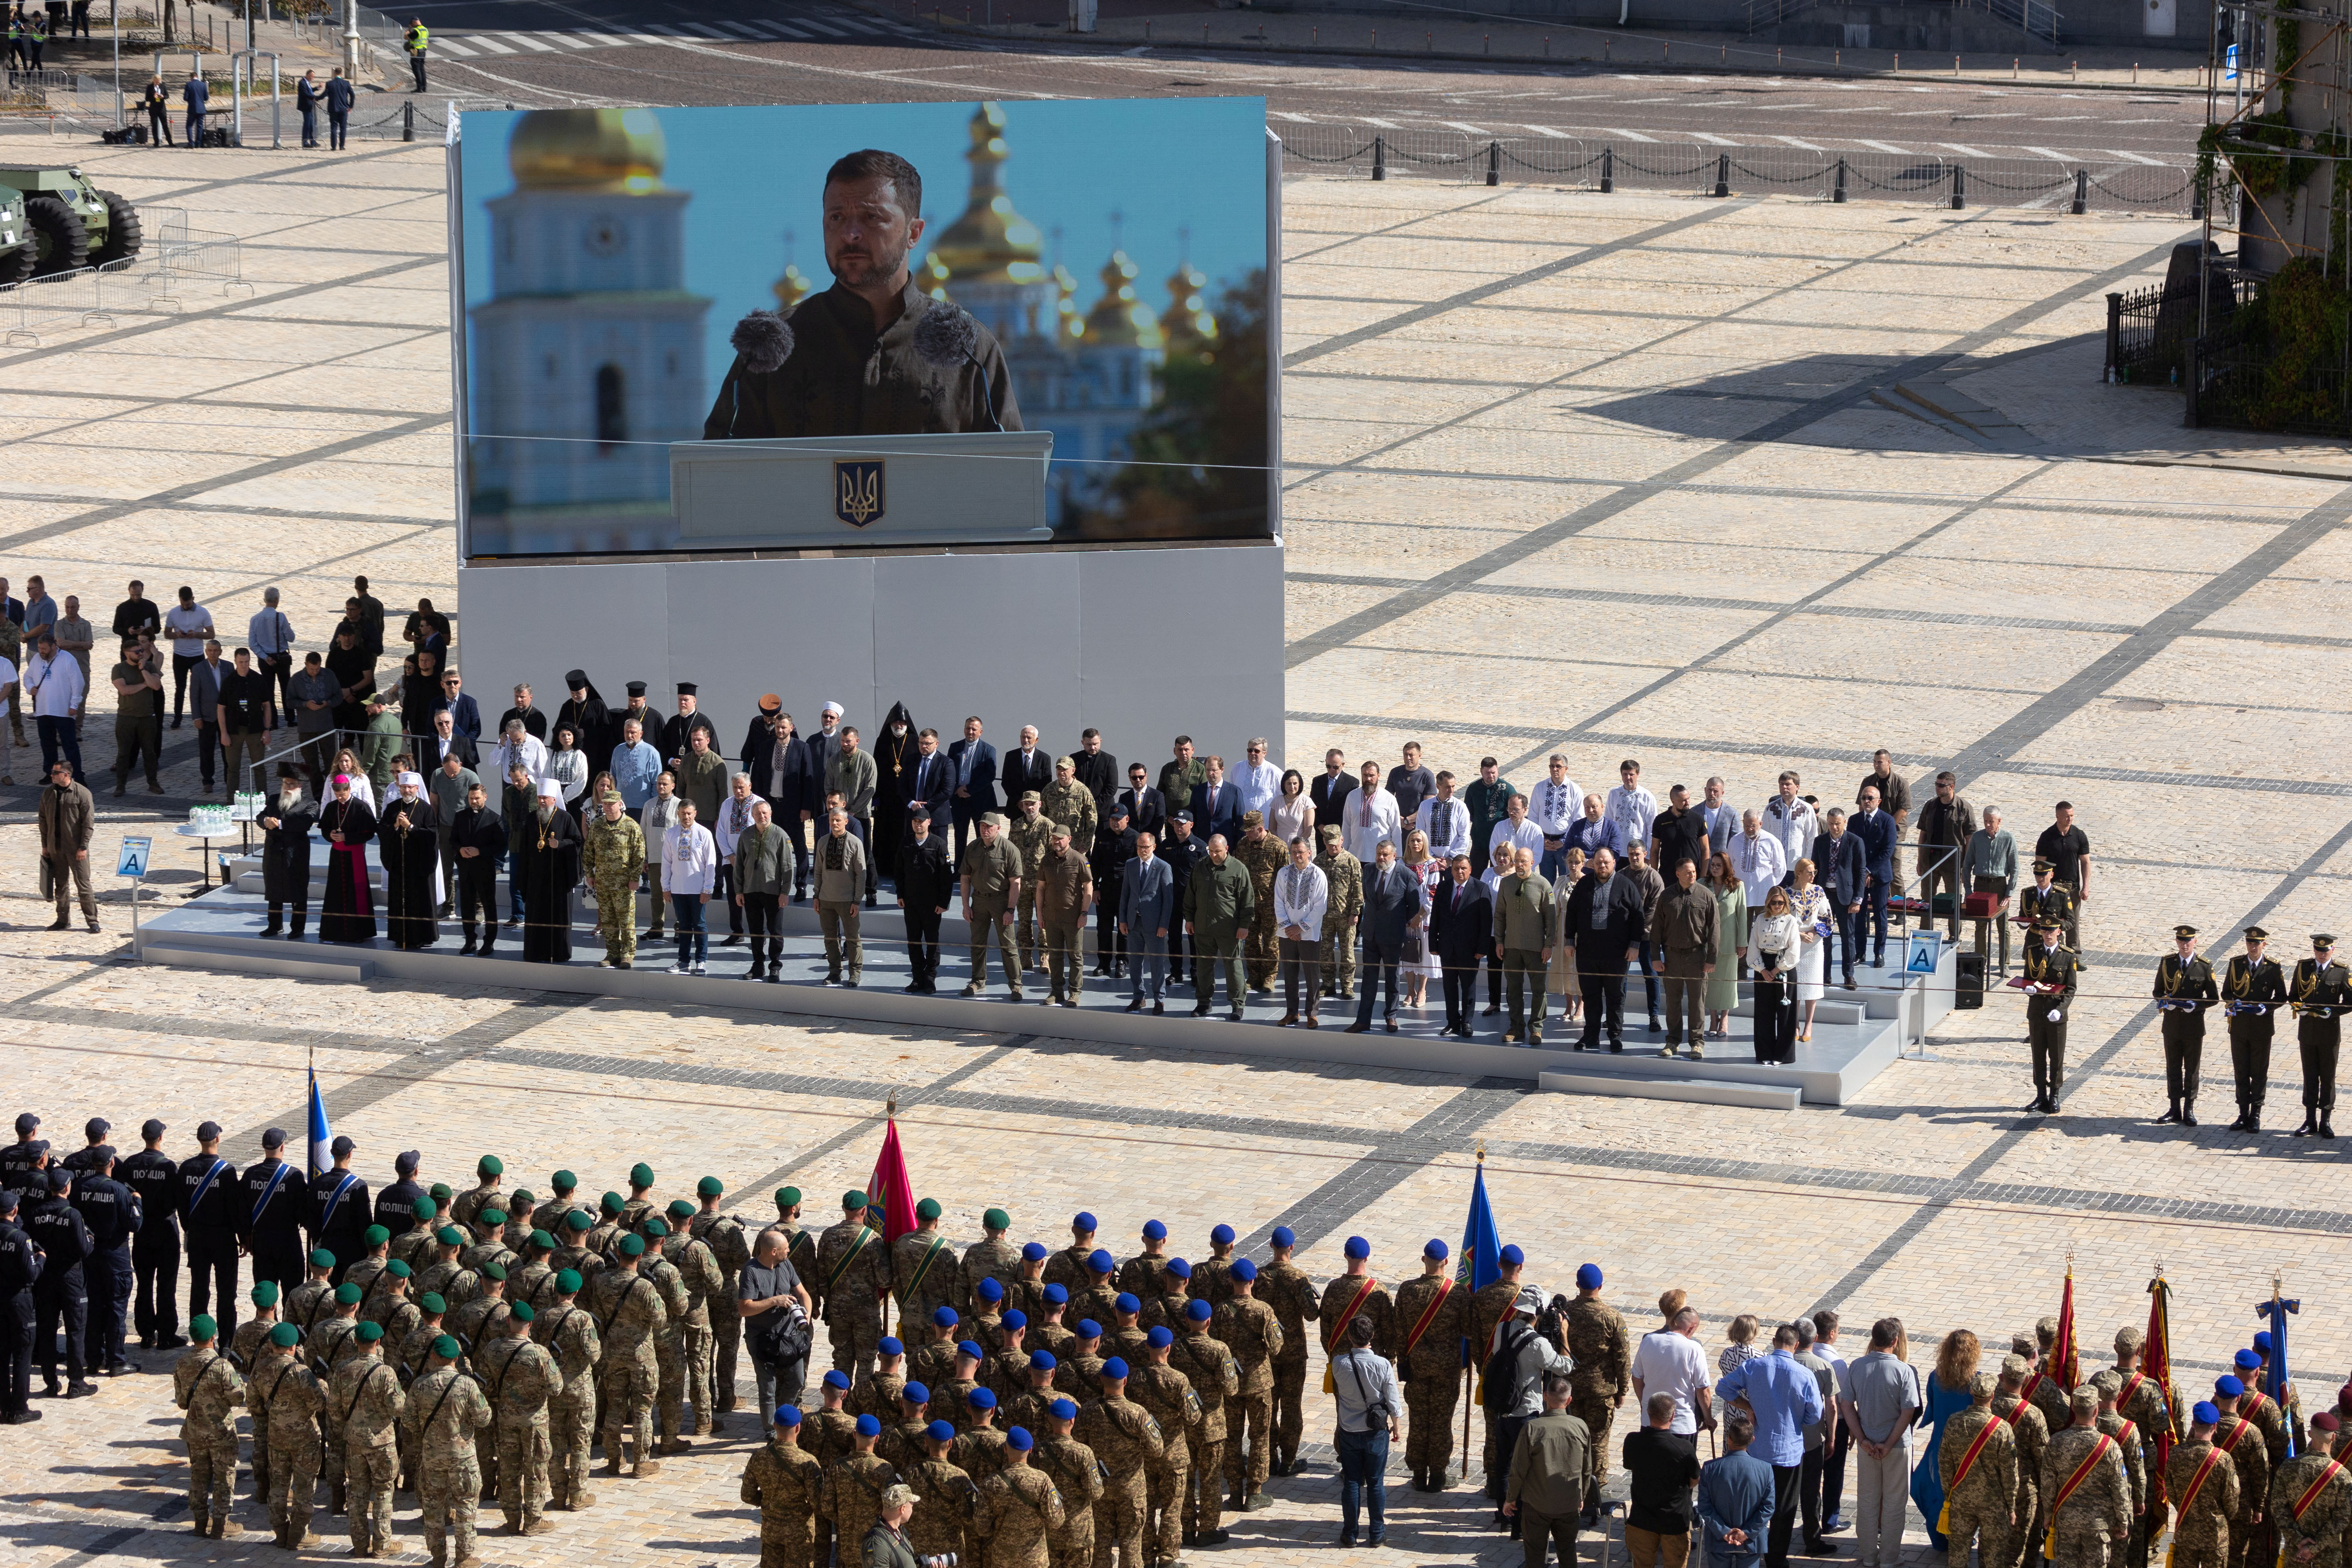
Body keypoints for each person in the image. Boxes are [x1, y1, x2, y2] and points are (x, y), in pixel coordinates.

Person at [706, 149, 1021, 441]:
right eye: (836, 218)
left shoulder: (968, 350)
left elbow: (1014, 478)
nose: (850, 234)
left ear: (914, 233)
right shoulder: (770, 348)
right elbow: (716, 474)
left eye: (871, 217)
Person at [1714, 1324, 1823, 1568]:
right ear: (1796, 1345)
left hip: (1757, 1450)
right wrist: (1795, 1420)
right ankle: (1776, 1560)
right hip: (1788, 1452)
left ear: (1774, 1341)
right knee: (1784, 1510)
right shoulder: (1804, 1375)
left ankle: (1749, 1554)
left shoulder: (1754, 1366)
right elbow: (1815, 1415)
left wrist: (1747, 1407)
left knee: (1754, 1505)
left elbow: (1723, 1388)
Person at [1837, 1317, 1919, 1568]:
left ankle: (1869, 1556)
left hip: (1867, 1446)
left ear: (1874, 1339)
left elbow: (1847, 1405)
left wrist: (1862, 1439)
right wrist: (1889, 1442)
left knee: (1868, 1500)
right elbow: (1908, 1412)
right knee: (1895, 1503)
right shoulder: (1904, 1371)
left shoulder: (1857, 1366)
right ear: (1895, 1341)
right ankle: (1890, 1558)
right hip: (1896, 1447)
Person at [1330, 1310, 1400, 1547]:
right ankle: (1377, 1533)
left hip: (1349, 1430)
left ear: (1350, 1337)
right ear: (1373, 1336)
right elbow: (1392, 1400)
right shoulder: (1382, 1365)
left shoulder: (1338, 1363)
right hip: (1376, 1432)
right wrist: (1397, 1426)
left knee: (1351, 1481)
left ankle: (1350, 1533)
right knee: (1376, 1482)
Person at [1566, 848, 1646, 1052]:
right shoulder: (1583, 885)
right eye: (1599, 863)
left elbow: (1638, 916)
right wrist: (1569, 940)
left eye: (1606, 863)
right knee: (1591, 995)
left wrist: (1635, 945)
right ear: (1593, 864)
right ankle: (1591, 1036)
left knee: (1615, 996)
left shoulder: (1626, 886)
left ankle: (1615, 1036)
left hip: (1617, 954)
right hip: (1587, 952)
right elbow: (1572, 913)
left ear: (1614, 864)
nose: (1602, 866)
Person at [1909, 1329, 1980, 1553]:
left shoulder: (1935, 1377)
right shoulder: (1977, 1382)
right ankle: (1963, 1539)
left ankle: (1940, 1540)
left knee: (1933, 1489)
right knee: (1963, 1494)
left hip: (1941, 1444)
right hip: (1968, 1448)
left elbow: (1931, 1410)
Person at [740, 1229, 814, 1420]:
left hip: (788, 1336)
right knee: (768, 1388)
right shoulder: (751, 1271)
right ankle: (771, 1431)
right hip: (762, 1338)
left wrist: (806, 1314)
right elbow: (745, 1309)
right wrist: (775, 1301)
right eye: (785, 1248)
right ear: (773, 1251)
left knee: (798, 1380)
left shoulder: (786, 1264)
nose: (789, 1251)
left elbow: (803, 1294)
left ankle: (782, 1417)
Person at [1626, 1390, 1702, 1568]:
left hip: (1641, 1520)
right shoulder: (1684, 1448)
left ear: (1648, 1412)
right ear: (1673, 1416)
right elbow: (1695, 1479)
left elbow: (1630, 1466)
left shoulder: (1632, 1441)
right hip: (1674, 1522)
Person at [1651, 855, 1718, 1059]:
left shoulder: (1705, 895)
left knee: (1697, 1003)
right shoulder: (1666, 896)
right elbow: (1657, 930)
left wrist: (1712, 958)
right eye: (1688, 872)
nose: (1693, 875)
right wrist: (1655, 957)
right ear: (1678, 874)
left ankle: (1697, 1043)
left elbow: (1715, 928)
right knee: (1673, 1002)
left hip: (1696, 957)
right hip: (1671, 957)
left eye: (1694, 872)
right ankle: (1672, 1041)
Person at [1349, 838, 1417, 1034]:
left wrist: (1398, 923)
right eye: (1379, 854)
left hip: (1393, 936)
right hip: (1370, 934)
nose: (1381, 858)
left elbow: (1413, 906)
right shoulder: (1369, 870)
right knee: (1368, 978)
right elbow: (1365, 897)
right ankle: (1363, 1020)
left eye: (1385, 854)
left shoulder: (1406, 875)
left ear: (1394, 856)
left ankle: (1391, 1017)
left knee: (1392, 979)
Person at [2155, 924, 2219, 1126]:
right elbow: (2157, 991)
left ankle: (2189, 1108)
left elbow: (2214, 998)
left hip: (2193, 1025)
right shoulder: (2167, 963)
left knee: (2192, 1068)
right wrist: (2166, 1002)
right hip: (2172, 1024)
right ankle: (2174, 1108)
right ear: (2177, 942)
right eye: (2181, 941)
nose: (2185, 945)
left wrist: (2197, 1006)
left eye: (2188, 941)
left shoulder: (2204, 966)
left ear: (2195, 942)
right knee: (2173, 1067)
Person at [1187, 832, 1252, 1021]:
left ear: (1227, 849)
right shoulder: (1200, 867)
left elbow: (1247, 901)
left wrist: (1244, 925)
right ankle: (1204, 1003)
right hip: (1203, 928)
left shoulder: (1238, 869)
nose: (1214, 855)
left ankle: (1237, 1005)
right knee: (1204, 967)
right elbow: (1190, 895)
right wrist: (1189, 919)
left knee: (1233, 968)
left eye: (1218, 851)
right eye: (1211, 851)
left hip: (1229, 930)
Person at [1697, 1412, 1775, 1568]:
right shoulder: (1765, 1469)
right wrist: (1746, 1533)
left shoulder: (1710, 1468)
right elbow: (1768, 1507)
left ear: (1729, 1439)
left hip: (1719, 1542)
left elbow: (1704, 1507)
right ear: (1752, 1440)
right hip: (1750, 1543)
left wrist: (1724, 1532)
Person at [2290, 933, 2349, 1138]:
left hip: (2330, 1032)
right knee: (2310, 1075)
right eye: (2318, 950)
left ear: (2332, 950)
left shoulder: (2341, 971)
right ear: (2314, 950)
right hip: (2307, 1031)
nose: (2321, 954)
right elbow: (2293, 996)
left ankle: (2325, 1120)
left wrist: (2332, 1012)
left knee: (2328, 1077)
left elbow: (2350, 1002)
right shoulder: (2304, 967)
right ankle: (2310, 1120)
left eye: (2325, 951)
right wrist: (2300, 1008)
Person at [516, 782, 582, 964]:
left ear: (554, 799)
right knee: (536, 915)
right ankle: (535, 952)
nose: (542, 801)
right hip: (536, 878)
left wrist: (560, 844)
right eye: (539, 798)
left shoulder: (565, 818)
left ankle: (559, 953)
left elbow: (577, 843)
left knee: (557, 916)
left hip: (558, 879)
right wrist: (523, 878)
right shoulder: (532, 819)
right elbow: (524, 849)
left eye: (545, 798)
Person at [1495, 845, 1554, 1046]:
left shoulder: (1543, 884)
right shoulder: (1506, 883)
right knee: (1513, 990)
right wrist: (1499, 941)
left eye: (1523, 861)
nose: (1519, 865)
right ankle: (1516, 1027)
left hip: (1536, 948)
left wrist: (1548, 945)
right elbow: (1500, 915)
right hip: (1511, 947)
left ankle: (1536, 1029)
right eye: (1517, 861)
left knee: (1538, 990)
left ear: (1532, 863)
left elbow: (1550, 918)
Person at [1431, 852, 1492, 1039]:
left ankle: (1467, 1022)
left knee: (1469, 987)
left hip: (1470, 950)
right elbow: (1436, 917)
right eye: (1456, 869)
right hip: (1447, 948)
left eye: (1463, 868)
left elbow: (1486, 922)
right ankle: (1452, 1022)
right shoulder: (1443, 887)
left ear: (1470, 870)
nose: (1459, 872)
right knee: (1449, 987)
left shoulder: (1480, 888)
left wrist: (1482, 949)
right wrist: (1434, 944)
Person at [1632, 1300, 1714, 1439]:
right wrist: (1708, 1418)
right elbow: (1703, 1390)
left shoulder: (1649, 1340)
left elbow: (1637, 1378)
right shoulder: (1694, 1348)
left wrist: (1645, 1404)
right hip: (1681, 1423)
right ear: (1691, 1328)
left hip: (1650, 1421)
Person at [2022, 915, 2079, 1115]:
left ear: (2059, 932)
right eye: (2044, 931)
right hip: (2037, 1012)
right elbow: (2028, 979)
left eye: (2051, 931)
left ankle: (2054, 1095)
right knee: (2038, 1055)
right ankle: (2040, 1095)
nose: (2048, 935)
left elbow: (2071, 989)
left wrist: (2060, 1009)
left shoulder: (2067, 955)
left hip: (2056, 1014)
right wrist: (2027, 989)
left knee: (2056, 1056)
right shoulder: (2033, 953)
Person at [378, 774, 440, 951]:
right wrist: (396, 826)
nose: (407, 791)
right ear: (400, 789)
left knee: (419, 902)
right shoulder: (392, 808)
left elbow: (431, 836)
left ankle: (422, 936)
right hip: (400, 864)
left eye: (410, 788)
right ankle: (400, 936)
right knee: (400, 901)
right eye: (404, 788)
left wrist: (411, 827)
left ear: (417, 788)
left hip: (419, 865)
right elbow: (382, 831)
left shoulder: (426, 809)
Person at [1913, 772, 1976, 943]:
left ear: (1952, 787)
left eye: (1941, 785)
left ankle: (1954, 936)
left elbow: (1970, 839)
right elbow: (1923, 834)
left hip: (1953, 864)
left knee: (1953, 901)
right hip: (1931, 861)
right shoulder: (1931, 806)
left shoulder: (1964, 807)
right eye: (1936, 784)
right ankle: (1925, 935)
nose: (1937, 788)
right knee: (1926, 899)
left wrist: (1966, 865)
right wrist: (1920, 860)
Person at [36, 758, 97, 933]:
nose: (52, 775)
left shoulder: (82, 793)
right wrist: (45, 845)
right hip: (55, 848)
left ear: (66, 774)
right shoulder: (48, 793)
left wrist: (83, 847)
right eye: (52, 772)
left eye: (55, 773)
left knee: (83, 886)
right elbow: (42, 820)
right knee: (60, 885)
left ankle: (92, 921)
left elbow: (88, 823)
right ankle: (63, 920)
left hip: (75, 848)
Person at [257, 765, 317, 940]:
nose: (287, 787)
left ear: (300, 786)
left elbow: (305, 823)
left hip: (296, 853)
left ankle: (298, 928)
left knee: (298, 890)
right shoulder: (274, 799)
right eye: (285, 783)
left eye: (291, 784)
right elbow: (261, 816)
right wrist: (265, 820)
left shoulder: (310, 803)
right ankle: (274, 926)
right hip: (273, 852)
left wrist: (280, 825)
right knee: (273, 889)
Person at [1274, 836, 1328, 1028]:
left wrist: (1301, 927)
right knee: (1289, 974)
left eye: (1301, 852)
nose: (1297, 856)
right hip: (1286, 933)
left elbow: (1320, 906)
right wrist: (1288, 927)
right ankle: (1292, 1013)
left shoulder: (1318, 874)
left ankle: (1312, 1014)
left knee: (1312, 975)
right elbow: (1278, 902)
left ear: (1309, 853)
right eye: (1294, 852)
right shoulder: (1283, 873)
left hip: (1309, 934)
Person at [1120, 828, 1175, 1014]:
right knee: (1135, 963)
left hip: (1154, 924)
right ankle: (1138, 997)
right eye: (1139, 847)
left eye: (1146, 847)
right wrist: (1123, 919)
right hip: (1134, 922)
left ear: (1154, 846)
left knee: (1156, 963)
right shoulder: (1130, 865)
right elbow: (1125, 894)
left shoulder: (1163, 867)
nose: (1142, 850)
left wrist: (1164, 925)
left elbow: (1168, 900)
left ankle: (1159, 999)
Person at [664, 797, 719, 977]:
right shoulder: (671, 834)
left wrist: (707, 889)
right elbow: (666, 862)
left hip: (698, 889)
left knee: (700, 925)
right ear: (678, 814)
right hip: (678, 888)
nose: (686, 817)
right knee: (684, 926)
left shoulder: (704, 834)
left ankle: (701, 960)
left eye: (689, 813)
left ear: (695, 813)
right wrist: (665, 886)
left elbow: (711, 862)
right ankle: (683, 960)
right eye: (683, 814)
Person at [451, 781, 505, 956]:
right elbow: (453, 840)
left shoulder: (494, 818)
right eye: (471, 798)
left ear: (485, 798)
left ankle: (489, 942)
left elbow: (501, 846)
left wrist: (480, 851)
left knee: (489, 906)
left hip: (485, 870)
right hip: (466, 869)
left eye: (477, 798)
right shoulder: (460, 817)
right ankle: (470, 941)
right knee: (466, 906)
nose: (474, 801)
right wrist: (460, 849)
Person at [1746, 888, 1799, 1064]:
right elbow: (1753, 945)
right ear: (1768, 902)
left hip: (1784, 966)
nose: (1777, 906)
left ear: (1785, 903)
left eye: (1781, 903)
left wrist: (1777, 970)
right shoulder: (1761, 919)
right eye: (1774, 902)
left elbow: (1794, 948)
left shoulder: (1791, 921)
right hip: (1763, 964)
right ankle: (1764, 1054)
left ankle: (1783, 1055)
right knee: (1763, 1012)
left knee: (1786, 1013)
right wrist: (1762, 970)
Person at [215, 646, 275, 800]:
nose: (244, 665)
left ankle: (263, 798)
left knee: (259, 767)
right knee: (233, 768)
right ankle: (231, 800)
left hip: (255, 730)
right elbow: (221, 708)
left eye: (247, 662)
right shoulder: (229, 682)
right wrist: (224, 733)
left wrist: (267, 729)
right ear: (235, 662)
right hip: (234, 731)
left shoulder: (258, 679)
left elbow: (267, 705)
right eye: (241, 662)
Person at [1965, 805, 2019, 976]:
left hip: (1999, 885)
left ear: (1999, 822)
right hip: (1980, 885)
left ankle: (2005, 965)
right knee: (1980, 926)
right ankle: (1982, 962)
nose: (1988, 825)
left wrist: (2009, 893)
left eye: (1991, 822)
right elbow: (1967, 866)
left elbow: (2015, 868)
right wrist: (1968, 890)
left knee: (2003, 926)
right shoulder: (1977, 838)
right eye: (1986, 821)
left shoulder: (2008, 838)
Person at [24, 632, 83, 783]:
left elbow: (78, 683)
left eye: (44, 649)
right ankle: (50, 773)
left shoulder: (68, 659)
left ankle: (77, 775)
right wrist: (30, 688)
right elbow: (27, 677)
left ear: (54, 646)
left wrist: (74, 705)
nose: (41, 651)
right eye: (39, 648)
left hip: (63, 710)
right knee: (47, 744)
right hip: (43, 710)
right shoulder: (37, 659)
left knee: (69, 745)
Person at [2034, 801, 2091, 957]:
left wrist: (2085, 887)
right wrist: (2042, 888)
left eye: (2072, 816)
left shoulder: (2079, 835)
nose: (2070, 819)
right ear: (2057, 816)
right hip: (2053, 890)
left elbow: (2085, 862)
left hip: (2073, 888)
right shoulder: (2047, 837)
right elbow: (2040, 865)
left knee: (2073, 924)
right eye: (2067, 816)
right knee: (2053, 923)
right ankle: (2056, 955)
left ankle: (2075, 957)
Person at [1851, 786, 1897, 969]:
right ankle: (1860, 952)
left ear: (1878, 801)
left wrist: (1870, 871)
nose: (1866, 801)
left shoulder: (1887, 821)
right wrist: (1863, 872)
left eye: (1870, 798)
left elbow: (1888, 849)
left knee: (1880, 915)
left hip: (1879, 875)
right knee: (1859, 915)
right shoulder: (1855, 821)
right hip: (1861, 876)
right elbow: (1854, 848)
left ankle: (1879, 952)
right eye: (1863, 798)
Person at [1704, 853, 1746, 1043]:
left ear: (1726, 867)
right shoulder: (1702, 884)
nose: (1714, 868)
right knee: (1710, 982)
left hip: (1730, 941)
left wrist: (1742, 942)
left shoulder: (1737, 886)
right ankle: (1713, 1019)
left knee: (1728, 982)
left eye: (1719, 865)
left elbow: (1742, 915)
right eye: (1712, 865)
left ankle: (1725, 1018)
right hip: (1707, 942)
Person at [324, 67, 353, 149]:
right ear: (342, 74)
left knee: (333, 127)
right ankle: (342, 146)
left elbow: (325, 94)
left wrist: (316, 98)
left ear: (334, 73)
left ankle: (333, 146)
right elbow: (352, 95)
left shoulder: (330, 84)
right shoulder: (346, 83)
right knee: (343, 128)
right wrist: (351, 106)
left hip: (333, 109)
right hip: (344, 109)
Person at [142, 74, 174, 144]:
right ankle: (156, 141)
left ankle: (170, 142)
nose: (158, 83)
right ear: (154, 81)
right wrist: (153, 97)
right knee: (155, 125)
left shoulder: (163, 86)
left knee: (165, 126)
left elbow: (167, 95)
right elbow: (147, 99)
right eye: (157, 82)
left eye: (159, 82)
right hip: (154, 109)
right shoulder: (150, 87)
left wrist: (163, 97)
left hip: (162, 108)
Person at [181, 70, 208, 145]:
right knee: (200, 127)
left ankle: (191, 143)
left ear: (191, 78)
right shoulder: (203, 85)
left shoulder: (189, 85)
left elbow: (186, 98)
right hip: (201, 109)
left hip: (192, 109)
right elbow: (206, 98)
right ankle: (198, 143)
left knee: (189, 126)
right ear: (197, 77)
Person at [403, 16, 428, 90]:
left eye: (412, 24)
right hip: (423, 51)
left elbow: (406, 37)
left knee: (416, 70)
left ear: (415, 22)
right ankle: (424, 87)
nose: (411, 25)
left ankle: (419, 87)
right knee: (422, 69)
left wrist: (409, 29)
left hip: (416, 52)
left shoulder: (416, 31)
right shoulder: (425, 29)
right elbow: (426, 41)